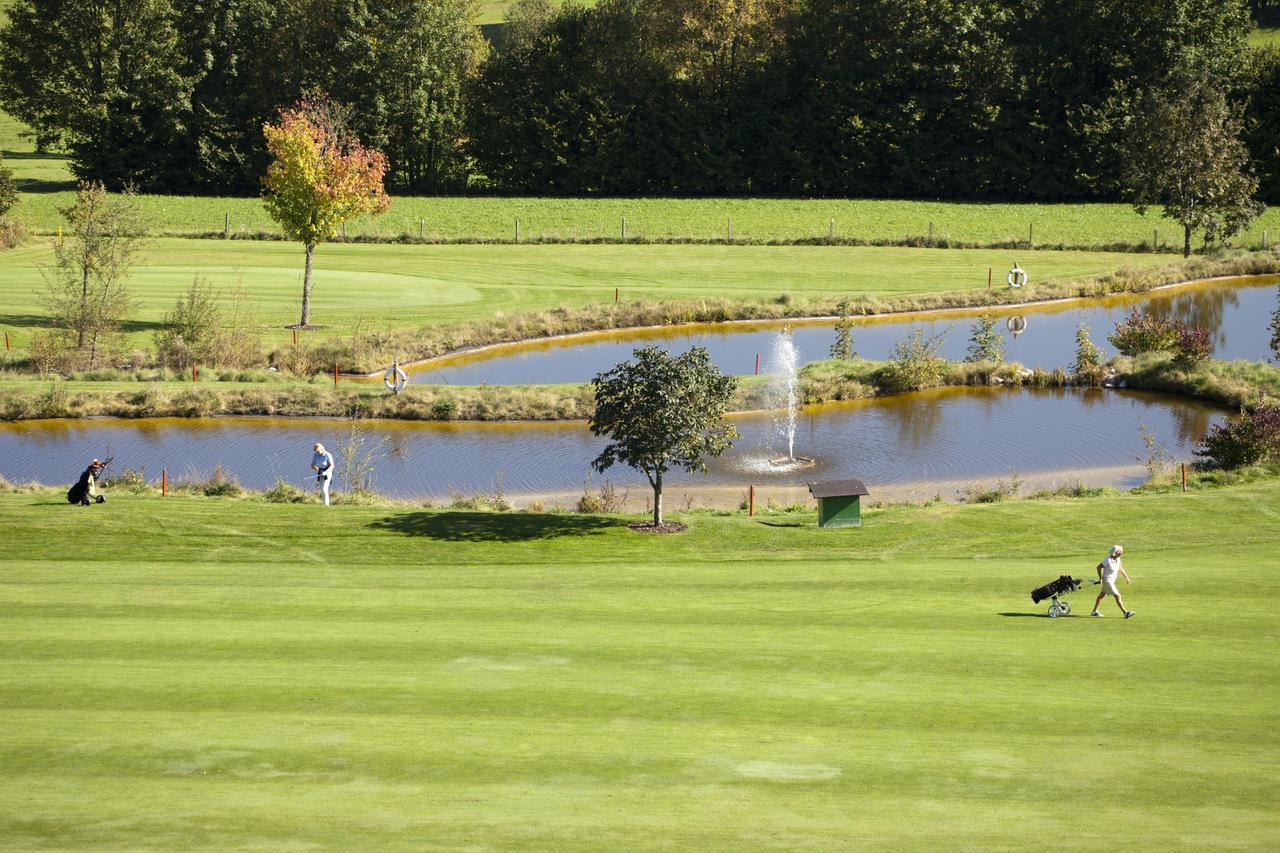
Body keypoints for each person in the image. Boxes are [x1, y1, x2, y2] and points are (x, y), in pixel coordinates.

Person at [1091, 544, 1134, 618]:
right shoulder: (1107, 560)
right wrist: (1100, 578)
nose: (1121, 553)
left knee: (1102, 595)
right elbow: (1098, 567)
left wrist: (1126, 577)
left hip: (1111, 581)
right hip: (1107, 580)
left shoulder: (1118, 559)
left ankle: (1094, 611)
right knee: (1118, 596)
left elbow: (1121, 569)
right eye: (1120, 552)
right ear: (1116, 552)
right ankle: (1125, 613)